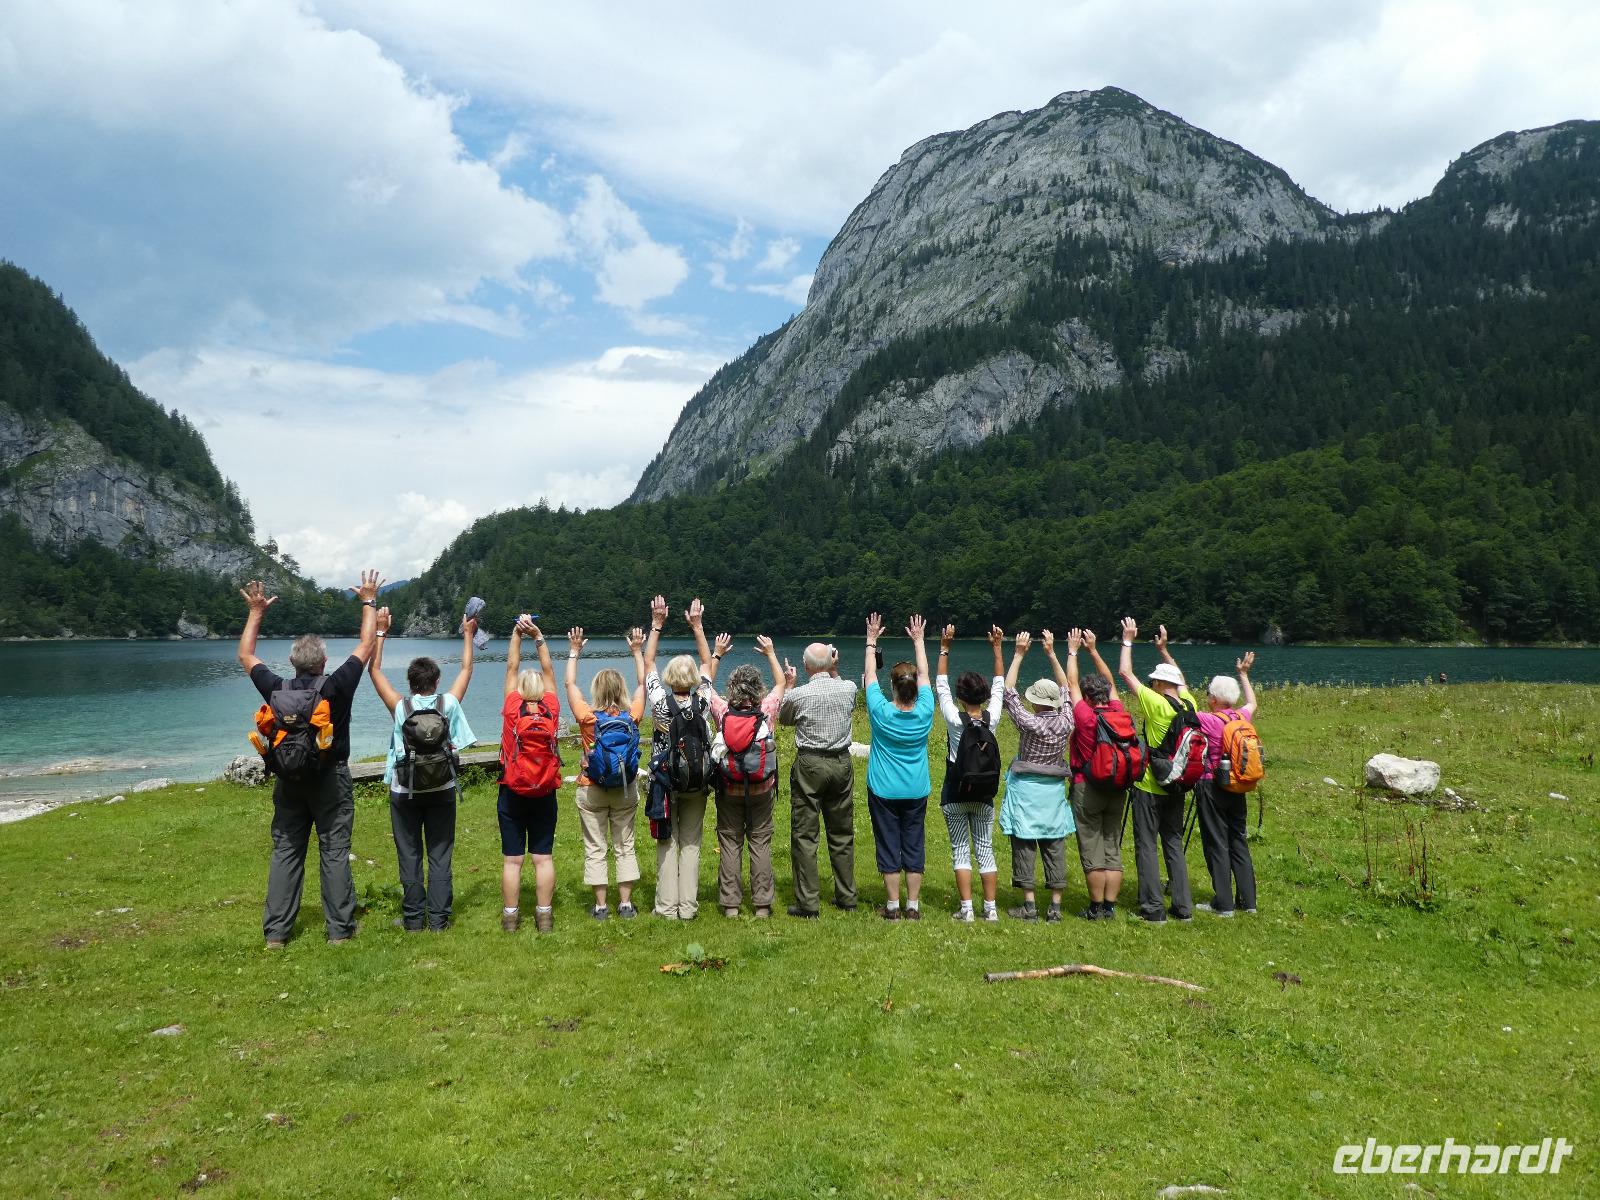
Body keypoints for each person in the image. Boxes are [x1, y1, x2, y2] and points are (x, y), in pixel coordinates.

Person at [237, 571, 381, 948]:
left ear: (292, 662)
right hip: (331, 779)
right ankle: (340, 931)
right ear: (324, 662)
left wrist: (256, 612)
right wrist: (368, 601)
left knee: (286, 850)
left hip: (288, 780)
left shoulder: (276, 688)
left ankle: (276, 934)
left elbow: (246, 655)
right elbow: (367, 644)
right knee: (334, 852)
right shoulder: (335, 686)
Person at [367, 605, 478, 932]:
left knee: (410, 854)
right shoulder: (448, 704)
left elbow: (374, 670)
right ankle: (439, 920)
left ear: (410, 682)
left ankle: (414, 919)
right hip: (442, 788)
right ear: (436, 681)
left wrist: (381, 632)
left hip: (405, 790)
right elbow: (467, 669)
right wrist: (468, 634)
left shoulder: (400, 706)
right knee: (440, 855)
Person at [1161, 644, 1260, 918]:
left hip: (1211, 784)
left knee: (1216, 842)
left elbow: (1182, 695)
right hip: (1238, 784)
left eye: (1208, 694)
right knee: (1238, 839)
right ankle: (1248, 902)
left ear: (1214, 699)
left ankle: (1223, 904)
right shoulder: (1241, 716)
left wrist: (1167, 658)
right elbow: (1252, 702)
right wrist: (1244, 675)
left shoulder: (1208, 720)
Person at [694, 629, 787, 918]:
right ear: (758, 689)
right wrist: (771, 653)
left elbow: (705, 685)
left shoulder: (723, 712)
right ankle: (762, 905)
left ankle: (731, 905)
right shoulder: (766, 710)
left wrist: (717, 654)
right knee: (760, 842)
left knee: (730, 843)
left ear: (732, 689)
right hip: (761, 789)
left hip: (729, 788)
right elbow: (781, 683)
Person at [1117, 619, 1196, 923]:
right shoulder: (1189, 703)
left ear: (1161, 685)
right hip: (1178, 782)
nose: (1150, 685)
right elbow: (1182, 679)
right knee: (1173, 842)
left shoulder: (1156, 703)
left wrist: (1127, 640)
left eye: (1154, 681)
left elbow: (1125, 673)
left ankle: (1153, 908)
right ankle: (1183, 907)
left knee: (1147, 845)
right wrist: (1164, 650)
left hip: (1150, 785)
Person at [567, 624, 647, 920]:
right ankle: (625, 905)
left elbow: (569, 684)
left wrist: (574, 652)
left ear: (597, 690)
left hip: (591, 788)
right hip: (625, 788)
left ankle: (601, 907)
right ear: (621, 690)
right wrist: (637, 652)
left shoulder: (587, 717)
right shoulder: (632, 716)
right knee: (625, 845)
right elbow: (643, 683)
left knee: (595, 847)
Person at [997, 629, 1076, 923]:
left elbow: (1008, 692)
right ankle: (1055, 907)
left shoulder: (1030, 723)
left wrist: (1018, 655)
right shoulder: (1067, 721)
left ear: (1037, 703)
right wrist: (1052, 654)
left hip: (1027, 789)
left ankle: (1029, 906)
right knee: (1054, 843)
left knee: (1025, 842)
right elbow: (1067, 687)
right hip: (1053, 791)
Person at [776, 640, 859, 918]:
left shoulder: (799, 695)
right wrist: (834, 669)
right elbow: (843, 686)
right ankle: (847, 896)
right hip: (841, 762)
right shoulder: (848, 688)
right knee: (842, 832)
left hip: (810, 763)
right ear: (832, 661)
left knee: (805, 834)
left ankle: (808, 903)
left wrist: (789, 686)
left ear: (805, 666)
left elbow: (784, 719)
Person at [863, 612, 935, 920]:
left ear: (892, 686)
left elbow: (869, 676)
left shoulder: (880, 711)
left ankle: (892, 906)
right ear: (916, 688)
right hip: (916, 788)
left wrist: (871, 640)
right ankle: (913, 906)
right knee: (914, 844)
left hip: (883, 789)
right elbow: (926, 675)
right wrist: (919, 641)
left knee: (888, 844)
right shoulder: (926, 710)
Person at [643, 596, 712, 920]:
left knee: (667, 841)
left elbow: (648, 663)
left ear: (670, 678)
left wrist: (656, 625)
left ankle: (667, 908)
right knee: (692, 843)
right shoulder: (703, 701)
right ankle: (688, 907)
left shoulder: (659, 700)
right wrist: (697, 627)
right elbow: (707, 662)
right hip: (696, 781)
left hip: (665, 782)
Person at [935, 623, 1005, 922]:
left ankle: (966, 910)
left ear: (961, 697)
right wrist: (997, 649)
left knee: (960, 849)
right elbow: (1000, 684)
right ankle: (990, 909)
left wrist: (944, 647)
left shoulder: (954, 719)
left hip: (955, 790)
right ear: (984, 694)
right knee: (985, 848)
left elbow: (940, 685)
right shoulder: (993, 717)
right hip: (984, 792)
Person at [497, 617, 562, 932]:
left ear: (520, 690)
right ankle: (544, 916)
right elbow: (549, 671)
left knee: (513, 859)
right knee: (542, 858)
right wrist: (538, 637)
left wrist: (516, 634)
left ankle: (511, 918)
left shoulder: (512, 707)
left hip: (512, 789)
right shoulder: (551, 708)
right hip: (545, 790)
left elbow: (512, 667)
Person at [1064, 627, 1130, 920]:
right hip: (1117, 785)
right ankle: (1110, 907)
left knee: (1091, 847)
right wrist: (1093, 650)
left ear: (1089, 698)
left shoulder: (1086, 717)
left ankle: (1095, 907)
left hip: (1087, 786)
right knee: (1111, 846)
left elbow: (1071, 682)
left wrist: (1073, 651)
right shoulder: (1119, 711)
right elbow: (1111, 681)